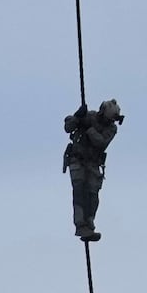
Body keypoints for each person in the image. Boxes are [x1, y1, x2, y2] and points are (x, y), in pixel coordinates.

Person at [63, 99, 124, 243]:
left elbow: (101, 143)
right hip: (77, 161)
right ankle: (81, 225)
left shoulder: (111, 128)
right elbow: (68, 127)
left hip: (92, 163)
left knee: (92, 195)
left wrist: (89, 128)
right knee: (79, 192)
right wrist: (78, 117)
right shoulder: (89, 116)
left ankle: (89, 222)